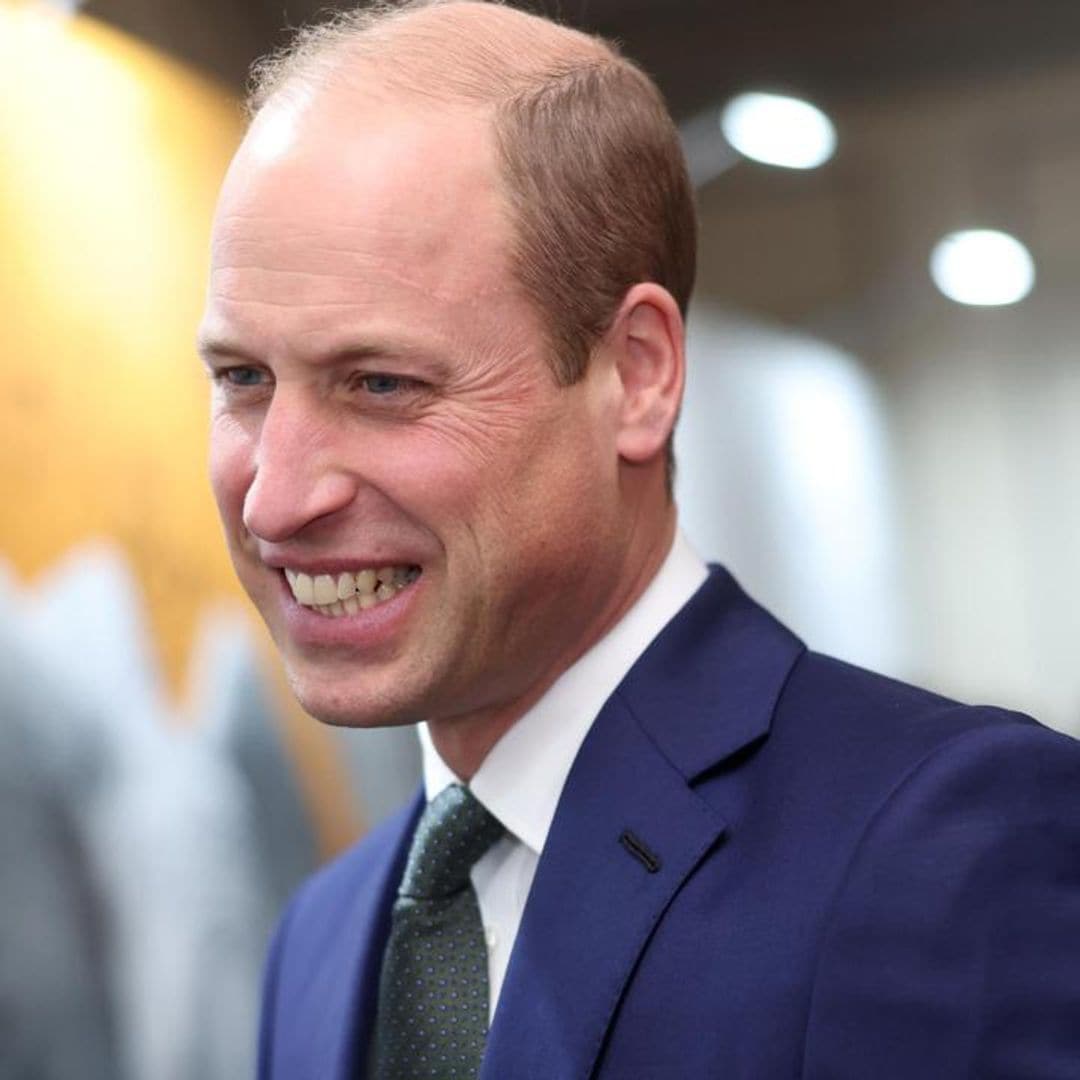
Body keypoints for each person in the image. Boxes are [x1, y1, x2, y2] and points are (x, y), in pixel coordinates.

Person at [198, 2, 1080, 1076]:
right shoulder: (324, 940)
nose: (274, 500)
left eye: (382, 384)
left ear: (639, 375)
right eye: (243, 379)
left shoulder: (942, 847)